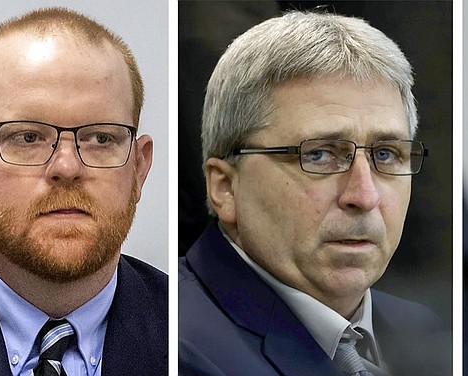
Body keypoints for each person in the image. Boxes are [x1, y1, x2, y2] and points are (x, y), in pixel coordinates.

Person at [178, 10, 451, 376]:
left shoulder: (426, 332)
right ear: (225, 187)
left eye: (386, 154)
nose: (364, 196)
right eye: (320, 155)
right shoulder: (180, 350)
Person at [0, 7, 166, 375]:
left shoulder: (184, 334)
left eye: (101, 138)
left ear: (138, 168)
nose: (68, 168)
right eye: (28, 137)